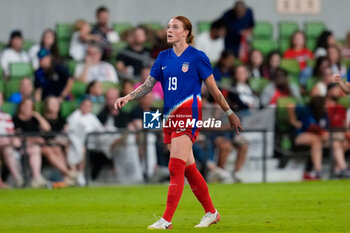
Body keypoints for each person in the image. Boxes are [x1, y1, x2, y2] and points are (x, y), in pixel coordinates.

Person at [115, 15, 243, 229]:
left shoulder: (197, 57)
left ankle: (166, 220)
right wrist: (128, 96)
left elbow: (214, 90)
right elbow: (148, 85)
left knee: (175, 167)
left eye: (175, 27)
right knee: (189, 168)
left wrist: (229, 112)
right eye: (168, 27)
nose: (169, 30)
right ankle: (211, 212)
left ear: (186, 32)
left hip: (189, 116)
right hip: (169, 118)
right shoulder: (163, 57)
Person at [13, 98, 49, 188]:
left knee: (36, 149)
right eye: (25, 105)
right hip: (20, 147)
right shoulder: (15, 119)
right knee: (35, 149)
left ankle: (36, 178)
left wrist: (37, 115)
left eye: (30, 106)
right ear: (20, 106)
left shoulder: (34, 119)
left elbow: (47, 128)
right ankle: (36, 177)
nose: (27, 108)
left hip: (34, 146)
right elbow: (18, 137)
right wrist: (34, 140)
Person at [67, 98, 104, 186]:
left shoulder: (92, 117)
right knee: (79, 150)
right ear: (81, 106)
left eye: (89, 106)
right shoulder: (74, 116)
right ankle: (77, 174)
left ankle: (79, 174)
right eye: (85, 106)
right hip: (75, 143)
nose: (87, 108)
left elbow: (100, 129)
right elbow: (72, 133)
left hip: (92, 144)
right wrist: (80, 145)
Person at [0, 91, 24, 188]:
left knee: (8, 150)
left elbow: (11, 134)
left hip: (6, 144)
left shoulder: (6, 116)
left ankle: (17, 178)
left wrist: (13, 140)